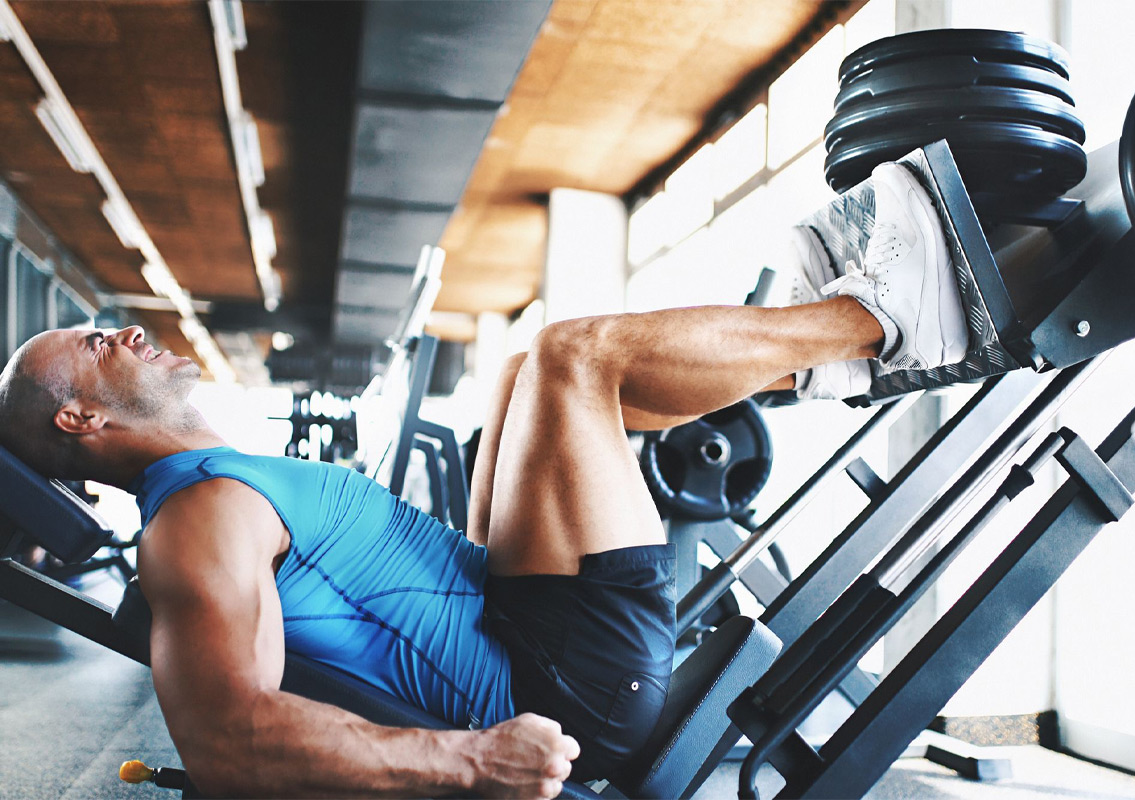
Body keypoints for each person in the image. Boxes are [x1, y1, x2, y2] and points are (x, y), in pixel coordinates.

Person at [0, 162, 967, 799]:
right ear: (81, 419)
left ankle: (819, 356)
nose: (127, 331)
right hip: (567, 685)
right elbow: (227, 740)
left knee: (523, 371)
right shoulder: (196, 523)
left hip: (515, 617)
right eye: (95, 345)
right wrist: (470, 761)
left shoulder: (214, 484)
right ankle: (879, 319)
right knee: (574, 355)